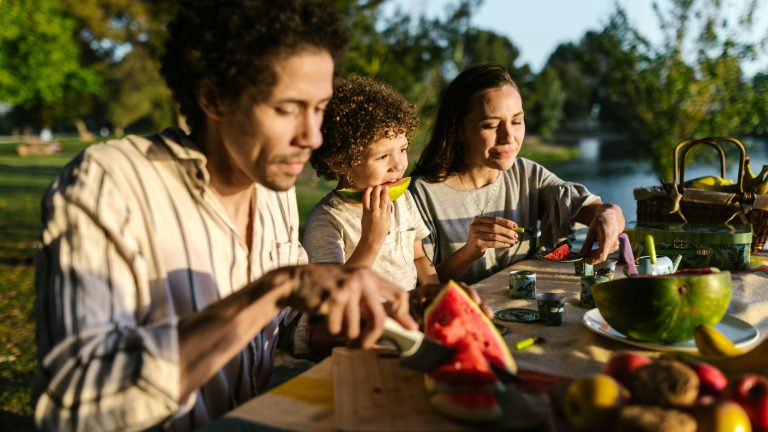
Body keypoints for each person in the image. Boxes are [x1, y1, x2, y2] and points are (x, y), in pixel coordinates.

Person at [30, 1, 417, 430]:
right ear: (214, 98)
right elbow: (79, 403)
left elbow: (293, 328)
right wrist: (275, 289)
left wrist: (383, 319)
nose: (312, 137)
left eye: (319, 108)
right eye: (287, 109)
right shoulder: (109, 185)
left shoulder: (274, 191)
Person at [409, 64, 626, 284]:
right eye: (491, 125)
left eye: (516, 121)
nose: (508, 137)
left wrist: (610, 212)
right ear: (458, 130)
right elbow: (423, 287)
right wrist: (470, 251)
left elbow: (587, 209)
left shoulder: (528, 175)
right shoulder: (420, 194)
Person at [303, 76, 439, 290]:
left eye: (402, 150)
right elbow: (332, 294)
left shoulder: (403, 199)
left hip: (406, 315)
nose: (398, 165)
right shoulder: (328, 221)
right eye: (382, 156)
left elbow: (419, 256)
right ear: (340, 163)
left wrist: (434, 290)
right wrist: (371, 239)